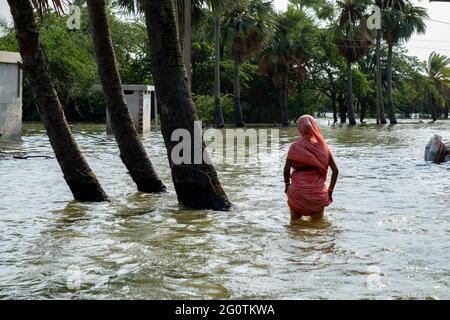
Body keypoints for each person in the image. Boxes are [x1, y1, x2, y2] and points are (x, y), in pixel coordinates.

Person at [284, 115, 339, 220]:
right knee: (318, 229)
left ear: (300, 128)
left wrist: (287, 186)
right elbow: (335, 171)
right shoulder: (323, 147)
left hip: (297, 193)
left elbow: (286, 170)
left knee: (294, 228)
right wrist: (330, 191)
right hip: (317, 195)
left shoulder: (295, 147)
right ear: (314, 127)